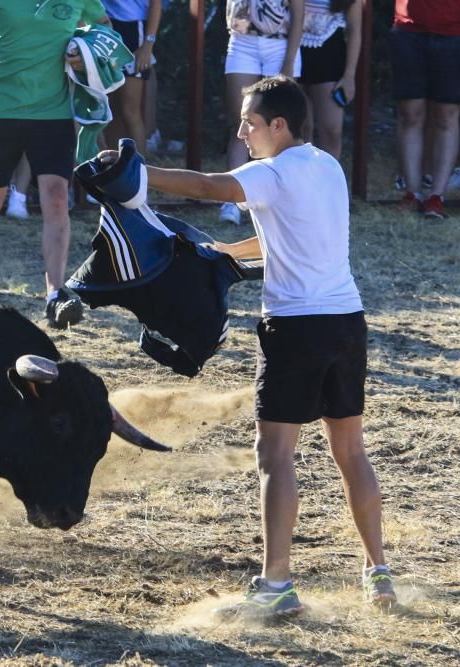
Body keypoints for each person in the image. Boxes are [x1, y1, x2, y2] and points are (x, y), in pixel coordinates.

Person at [139, 75, 395, 619]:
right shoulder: (325, 165)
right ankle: (378, 572)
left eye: (250, 124)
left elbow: (211, 186)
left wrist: (137, 174)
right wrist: (228, 249)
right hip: (347, 322)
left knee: (275, 455)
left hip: (295, 329)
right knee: (351, 453)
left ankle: (277, 583)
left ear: (279, 125)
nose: (242, 132)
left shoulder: (271, 172)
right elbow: (293, 232)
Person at [0, 0, 108, 328]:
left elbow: (105, 28)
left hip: (54, 113)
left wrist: (83, 52)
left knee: (57, 198)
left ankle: (56, 295)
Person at [219, 0, 303, 225]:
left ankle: (279, 197)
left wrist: (289, 62)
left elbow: (298, 13)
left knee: (280, 126)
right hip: (241, 41)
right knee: (240, 122)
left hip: (280, 45)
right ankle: (232, 200)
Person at [390, 0, 460, 219]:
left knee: (446, 115)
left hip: (453, 30)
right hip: (408, 27)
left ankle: (436, 197)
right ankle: (412, 193)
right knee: (410, 113)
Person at [299, 0, 360, 160]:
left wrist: (349, 75)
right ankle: (301, 180)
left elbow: (355, 29)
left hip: (330, 55)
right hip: (292, 50)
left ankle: (330, 181)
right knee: (301, 127)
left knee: (331, 129)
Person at [100, 0, 161, 152]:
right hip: (103, 28)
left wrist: (147, 45)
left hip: (132, 29)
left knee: (130, 111)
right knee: (110, 110)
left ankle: (139, 170)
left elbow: (156, 4)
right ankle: (113, 168)